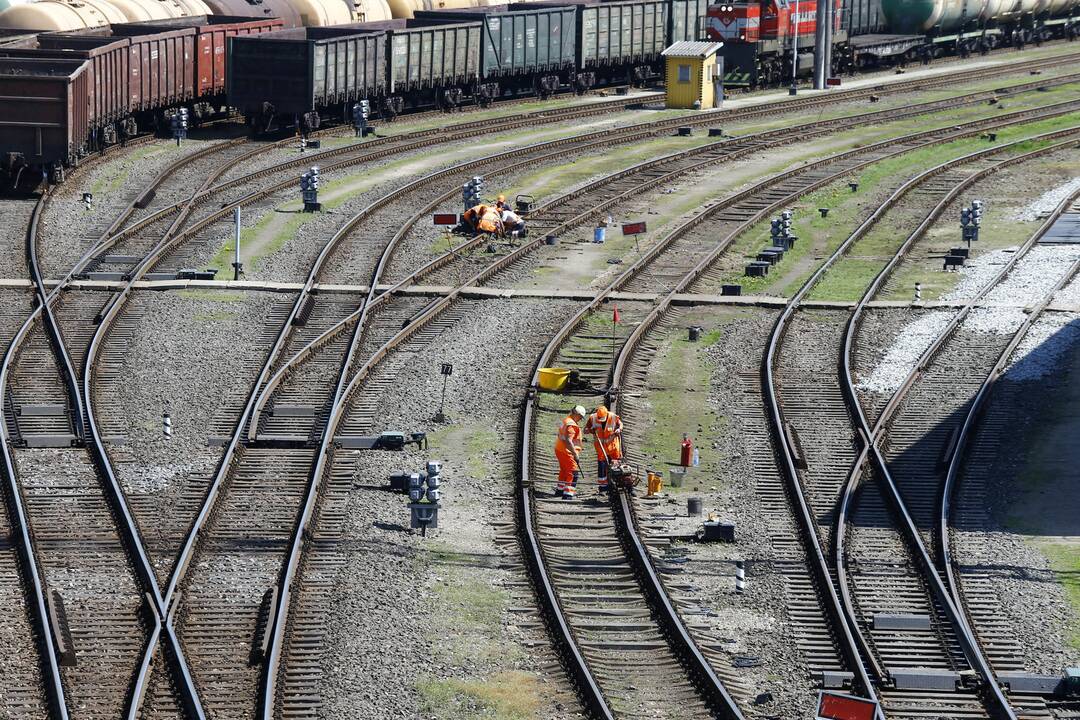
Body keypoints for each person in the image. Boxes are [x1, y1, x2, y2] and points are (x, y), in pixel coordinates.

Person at [585, 405, 623, 493]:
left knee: (616, 465)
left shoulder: (613, 417)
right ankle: (603, 487)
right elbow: (586, 428)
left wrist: (619, 429)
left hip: (613, 446)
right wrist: (590, 430)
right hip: (601, 448)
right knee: (602, 467)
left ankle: (616, 483)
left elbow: (620, 424)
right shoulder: (593, 418)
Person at [555, 405, 587, 499]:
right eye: (580, 417)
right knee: (573, 473)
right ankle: (567, 495)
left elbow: (559, 433)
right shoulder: (572, 425)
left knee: (564, 471)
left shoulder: (566, 420)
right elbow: (569, 441)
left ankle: (560, 491)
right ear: (576, 414)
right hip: (567, 452)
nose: (581, 419)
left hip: (559, 449)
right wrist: (575, 453)